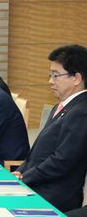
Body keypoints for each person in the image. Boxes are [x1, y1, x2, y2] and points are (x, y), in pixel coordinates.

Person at [13, 45, 87, 213]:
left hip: (53, 196)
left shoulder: (82, 111)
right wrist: (20, 172)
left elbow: (62, 161)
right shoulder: (60, 106)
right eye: (49, 75)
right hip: (37, 184)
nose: (50, 81)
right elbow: (38, 153)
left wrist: (25, 177)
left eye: (55, 75)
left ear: (76, 78)